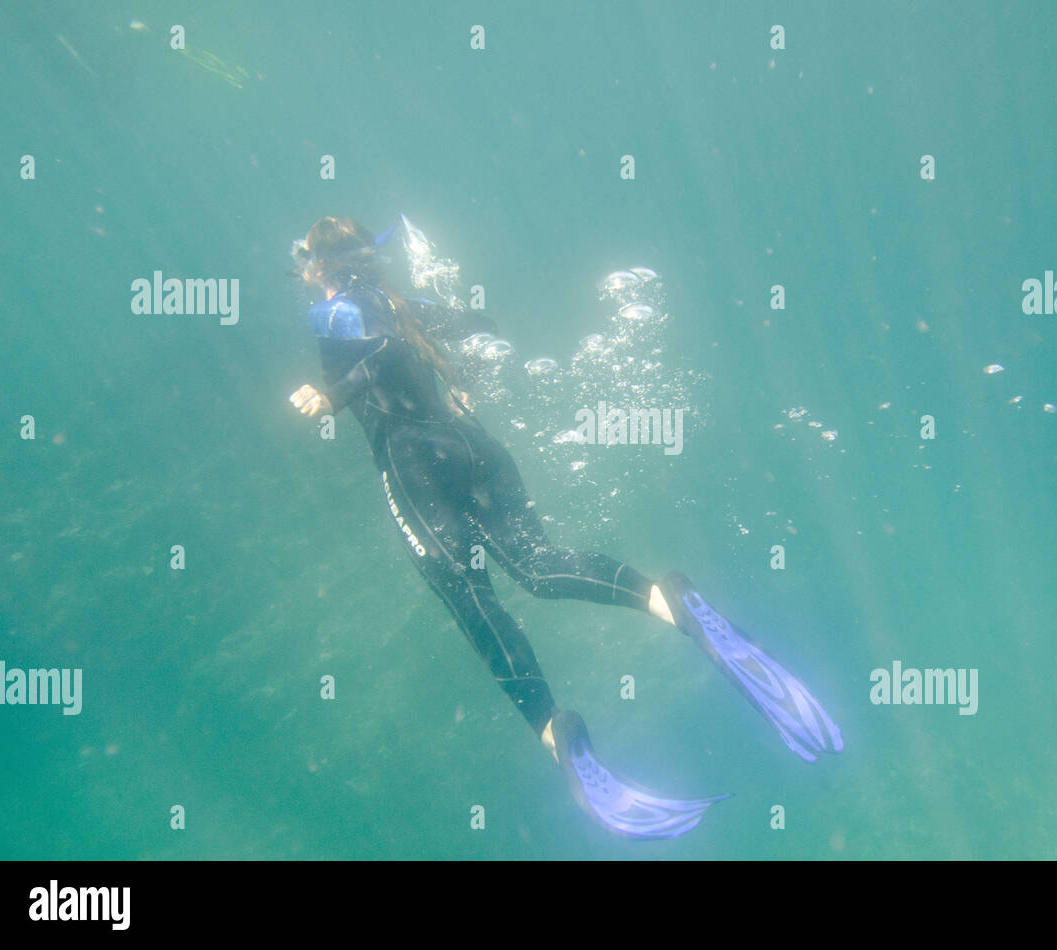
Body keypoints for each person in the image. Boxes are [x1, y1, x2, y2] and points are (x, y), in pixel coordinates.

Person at [288, 216, 842, 839]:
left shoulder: (336, 310)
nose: (304, 274)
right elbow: (473, 324)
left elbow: (381, 348)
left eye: (304, 261)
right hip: (475, 449)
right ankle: (668, 600)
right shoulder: (401, 303)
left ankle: (557, 733)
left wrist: (336, 393)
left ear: (321, 266)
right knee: (540, 565)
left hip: (414, 462)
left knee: (473, 601)